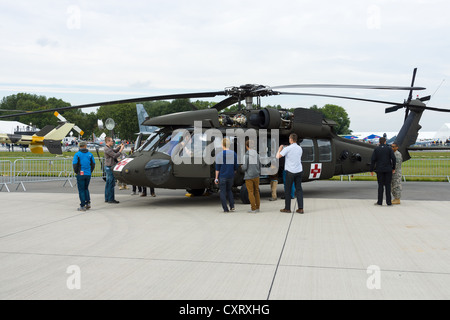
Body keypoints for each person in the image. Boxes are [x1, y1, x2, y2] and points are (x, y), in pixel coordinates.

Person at [276, 133, 304, 214]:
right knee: (299, 190)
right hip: (299, 170)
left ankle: (287, 208)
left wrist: (280, 149)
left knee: (287, 190)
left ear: (291, 139)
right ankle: (301, 208)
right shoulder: (299, 148)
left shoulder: (287, 148)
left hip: (290, 171)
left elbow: (278, 156)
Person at [370, 137, 396, 206]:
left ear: (379, 142)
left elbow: (373, 160)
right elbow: (393, 158)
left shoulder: (376, 149)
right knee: (388, 185)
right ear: (385, 142)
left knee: (380, 185)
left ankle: (380, 202)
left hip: (379, 169)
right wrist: (393, 167)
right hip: (388, 169)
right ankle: (388, 202)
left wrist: (371, 169)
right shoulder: (389, 149)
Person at [215, 138, 238, 213]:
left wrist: (216, 178)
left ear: (222, 145)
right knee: (229, 190)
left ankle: (225, 209)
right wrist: (233, 171)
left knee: (222, 192)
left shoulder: (219, 155)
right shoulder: (234, 153)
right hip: (230, 175)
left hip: (222, 176)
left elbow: (217, 168)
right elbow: (236, 166)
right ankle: (232, 206)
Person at [72, 141, 95, 211]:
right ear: (85, 146)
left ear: (79, 146)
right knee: (86, 188)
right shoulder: (90, 155)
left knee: (81, 190)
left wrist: (77, 172)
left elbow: (75, 165)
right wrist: (90, 171)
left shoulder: (77, 155)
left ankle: (82, 205)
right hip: (88, 174)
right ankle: (88, 202)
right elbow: (93, 164)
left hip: (81, 174)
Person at [241, 140, 261, 213]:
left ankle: (253, 208)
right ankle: (258, 207)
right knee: (256, 191)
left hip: (249, 176)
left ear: (246, 146)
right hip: (256, 175)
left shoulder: (246, 156)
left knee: (250, 192)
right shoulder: (257, 155)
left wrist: (241, 167)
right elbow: (260, 165)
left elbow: (245, 167)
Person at [104, 137, 124, 204]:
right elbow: (115, 155)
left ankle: (107, 198)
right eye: (112, 141)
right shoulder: (107, 149)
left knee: (108, 183)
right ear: (108, 141)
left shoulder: (108, 148)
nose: (113, 142)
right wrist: (120, 150)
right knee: (111, 183)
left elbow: (114, 151)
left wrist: (119, 147)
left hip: (109, 166)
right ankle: (111, 199)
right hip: (110, 167)